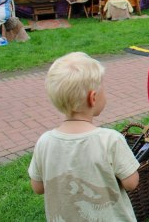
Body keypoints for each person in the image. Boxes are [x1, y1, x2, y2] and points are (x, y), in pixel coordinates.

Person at [28, 52, 140, 220]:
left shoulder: (44, 141)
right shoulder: (110, 139)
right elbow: (131, 183)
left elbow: (37, 187)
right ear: (93, 98)